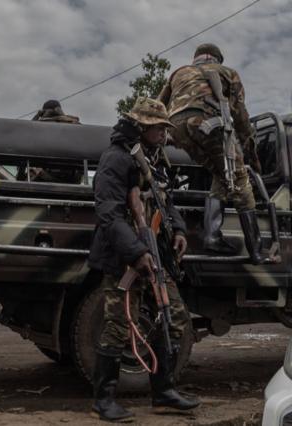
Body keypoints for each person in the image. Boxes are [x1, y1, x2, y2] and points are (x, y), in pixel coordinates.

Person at [88, 97, 199, 422]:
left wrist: (178, 230)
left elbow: (167, 200)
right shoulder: (116, 159)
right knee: (118, 326)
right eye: (159, 128)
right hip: (124, 258)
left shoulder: (154, 159)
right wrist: (136, 253)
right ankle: (103, 401)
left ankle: (164, 393)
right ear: (142, 127)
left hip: (158, 254)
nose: (165, 133)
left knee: (173, 318)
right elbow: (108, 213)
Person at [158, 43, 263, 263]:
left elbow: (158, 104)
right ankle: (257, 251)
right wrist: (249, 149)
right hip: (207, 122)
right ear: (217, 58)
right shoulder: (227, 73)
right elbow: (240, 115)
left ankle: (213, 236)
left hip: (175, 128)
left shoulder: (178, 73)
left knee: (220, 172)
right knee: (240, 179)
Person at [17, 100, 82, 183]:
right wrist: (63, 116)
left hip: (42, 177)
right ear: (59, 110)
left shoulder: (38, 126)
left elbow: (24, 136)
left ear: (44, 112)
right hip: (70, 178)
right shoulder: (73, 125)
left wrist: (37, 116)